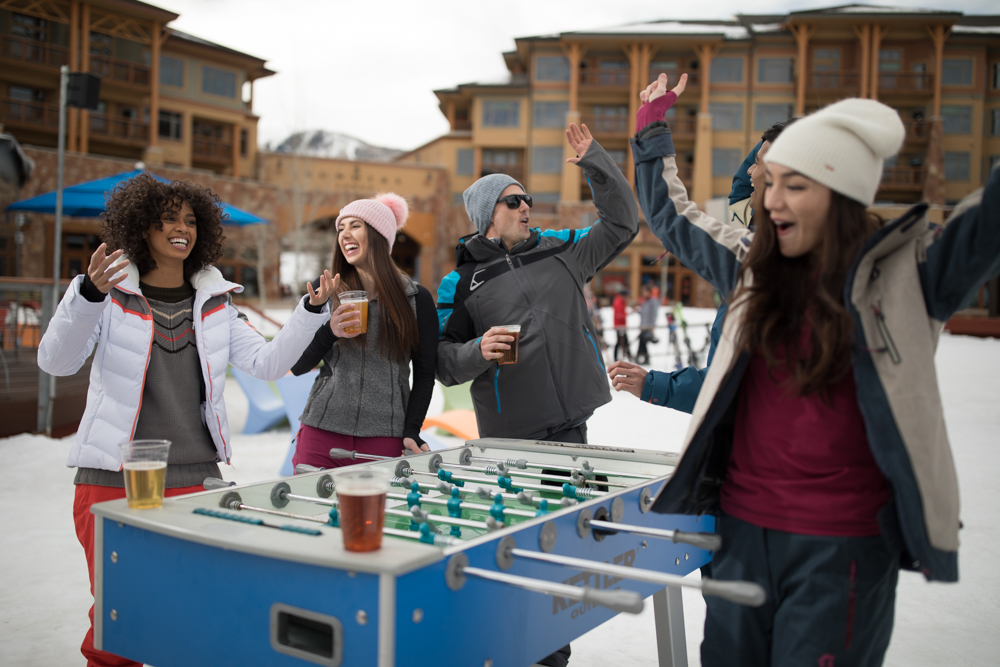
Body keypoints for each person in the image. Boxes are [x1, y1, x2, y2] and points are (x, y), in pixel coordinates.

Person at [631, 73, 1000, 666]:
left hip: (844, 548)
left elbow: (989, 222)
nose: (771, 200)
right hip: (742, 537)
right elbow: (675, 219)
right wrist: (651, 131)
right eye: (770, 182)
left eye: (793, 185)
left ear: (841, 194)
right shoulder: (753, 267)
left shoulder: (913, 276)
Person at [36, 174, 332, 667]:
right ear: (141, 227)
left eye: (191, 220)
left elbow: (266, 363)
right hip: (114, 483)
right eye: (169, 218)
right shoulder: (104, 295)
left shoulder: (215, 303)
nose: (182, 228)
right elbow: (56, 361)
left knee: (199, 617)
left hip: (198, 482)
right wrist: (87, 294)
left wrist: (311, 311)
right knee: (120, 621)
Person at [436, 123, 638, 667]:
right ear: (488, 216)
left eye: (527, 198)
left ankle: (551, 655)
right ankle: (516, 650)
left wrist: (594, 161)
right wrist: (479, 349)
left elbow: (623, 221)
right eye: (513, 200)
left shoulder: (564, 251)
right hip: (510, 439)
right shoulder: (461, 283)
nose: (526, 206)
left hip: (570, 427)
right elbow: (442, 363)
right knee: (523, 554)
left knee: (565, 552)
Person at [608, 118, 795, 412]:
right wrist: (782, 135)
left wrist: (650, 129)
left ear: (780, 178)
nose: (749, 170)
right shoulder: (791, 239)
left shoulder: (761, 259)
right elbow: (742, 187)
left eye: (758, 162)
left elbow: (670, 218)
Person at [290, 193, 437, 468]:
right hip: (322, 432)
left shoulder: (417, 299)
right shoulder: (324, 291)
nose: (344, 234)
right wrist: (329, 331)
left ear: (380, 235)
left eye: (355, 225)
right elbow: (298, 365)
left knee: (373, 513)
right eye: (341, 228)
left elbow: (426, 373)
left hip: (384, 437)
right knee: (312, 511)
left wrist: (411, 430)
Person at [634, 283, 659, 365]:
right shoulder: (645, 301)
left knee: (642, 342)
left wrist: (652, 326)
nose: (643, 293)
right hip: (643, 325)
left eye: (644, 291)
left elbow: (654, 314)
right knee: (642, 342)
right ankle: (644, 358)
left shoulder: (653, 301)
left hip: (648, 326)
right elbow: (644, 313)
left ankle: (640, 357)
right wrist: (637, 310)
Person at [611, 286, 632, 361]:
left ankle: (626, 356)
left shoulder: (621, 301)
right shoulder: (618, 302)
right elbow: (619, 315)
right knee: (621, 342)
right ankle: (625, 356)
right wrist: (628, 314)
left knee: (622, 341)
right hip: (619, 325)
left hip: (621, 325)